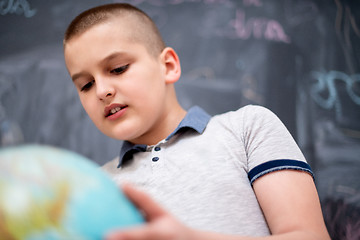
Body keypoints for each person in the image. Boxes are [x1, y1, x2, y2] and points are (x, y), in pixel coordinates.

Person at [63, 3, 330, 240]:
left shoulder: (248, 128)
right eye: (86, 85)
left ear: (168, 66)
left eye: (118, 68)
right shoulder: (92, 188)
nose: (101, 91)